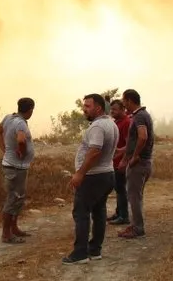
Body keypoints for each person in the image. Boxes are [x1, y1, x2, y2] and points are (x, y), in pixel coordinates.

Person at [62, 93, 119, 265]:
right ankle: (95, 250)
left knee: (81, 213)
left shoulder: (97, 127)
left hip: (93, 177)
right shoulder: (111, 123)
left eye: (88, 106)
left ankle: (80, 254)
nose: (84, 109)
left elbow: (95, 150)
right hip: (107, 174)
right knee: (99, 211)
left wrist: (80, 173)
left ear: (98, 108)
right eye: (84, 106)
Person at [0, 97, 36, 244]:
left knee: (18, 198)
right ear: (31, 110)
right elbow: (21, 140)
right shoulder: (20, 124)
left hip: (14, 166)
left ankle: (14, 228)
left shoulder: (9, 118)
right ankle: (6, 235)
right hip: (15, 167)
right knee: (13, 199)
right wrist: (21, 152)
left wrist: (4, 149)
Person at [118, 89, 154, 239]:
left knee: (134, 197)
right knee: (136, 196)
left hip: (139, 164)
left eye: (124, 100)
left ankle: (138, 228)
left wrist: (135, 156)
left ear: (129, 101)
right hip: (144, 162)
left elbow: (143, 137)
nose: (123, 104)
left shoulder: (139, 116)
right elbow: (137, 140)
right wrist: (122, 151)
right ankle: (135, 225)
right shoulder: (143, 115)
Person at [107, 99, 132, 225]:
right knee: (118, 188)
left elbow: (130, 144)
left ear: (123, 109)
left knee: (121, 189)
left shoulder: (127, 122)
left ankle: (124, 216)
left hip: (121, 162)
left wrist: (121, 156)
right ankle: (118, 213)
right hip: (115, 161)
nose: (112, 112)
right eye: (111, 109)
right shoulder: (117, 121)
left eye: (115, 109)